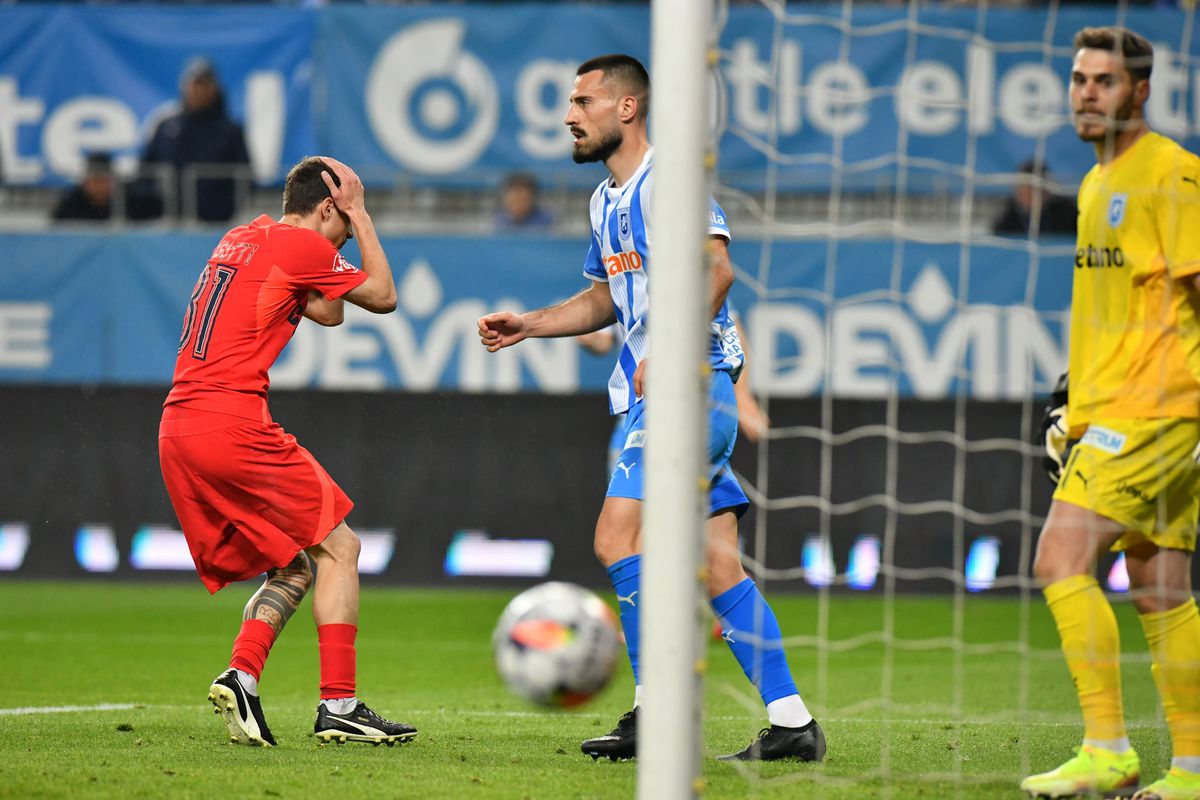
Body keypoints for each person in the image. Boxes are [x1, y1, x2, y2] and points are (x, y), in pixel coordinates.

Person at [477, 54, 823, 763]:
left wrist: (673, 347)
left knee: (616, 539)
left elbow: (718, 270)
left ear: (626, 109)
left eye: (582, 101)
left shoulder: (672, 184)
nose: (569, 115)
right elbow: (605, 295)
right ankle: (793, 723)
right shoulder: (607, 199)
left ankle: (653, 711)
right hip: (674, 395)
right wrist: (532, 324)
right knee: (718, 565)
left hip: (690, 391)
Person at [158, 156, 415, 748]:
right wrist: (363, 215)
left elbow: (327, 311)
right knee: (342, 547)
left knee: (294, 565)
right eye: (343, 224)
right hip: (231, 423)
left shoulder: (242, 236)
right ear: (328, 207)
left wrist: (332, 253)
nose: (346, 236)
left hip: (179, 428)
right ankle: (340, 705)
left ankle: (242, 675)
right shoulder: (303, 246)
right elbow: (384, 295)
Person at [1023, 27, 1200, 800]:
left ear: (1140, 92)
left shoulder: (1173, 174)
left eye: (1104, 80)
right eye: (1078, 78)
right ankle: (1192, 770)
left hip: (1158, 406)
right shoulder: (1096, 185)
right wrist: (1082, 402)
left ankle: (1107, 749)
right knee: (1160, 586)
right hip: (1117, 409)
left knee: (1058, 560)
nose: (1087, 92)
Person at [137, 57, 251, 223]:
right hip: (169, 221)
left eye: (204, 85)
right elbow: (145, 171)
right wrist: (158, 205)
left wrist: (220, 210)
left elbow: (244, 176)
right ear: (184, 87)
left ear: (214, 89)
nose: (198, 91)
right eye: (194, 84)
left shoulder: (230, 131)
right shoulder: (167, 126)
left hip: (215, 223)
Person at [992, 159, 1078, 237]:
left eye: (1034, 190)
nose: (1029, 197)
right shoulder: (1006, 222)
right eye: (1024, 191)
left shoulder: (1068, 215)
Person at [52, 153, 118, 222]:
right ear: (85, 182)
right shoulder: (70, 203)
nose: (99, 187)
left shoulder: (124, 202)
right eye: (95, 180)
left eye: (103, 180)